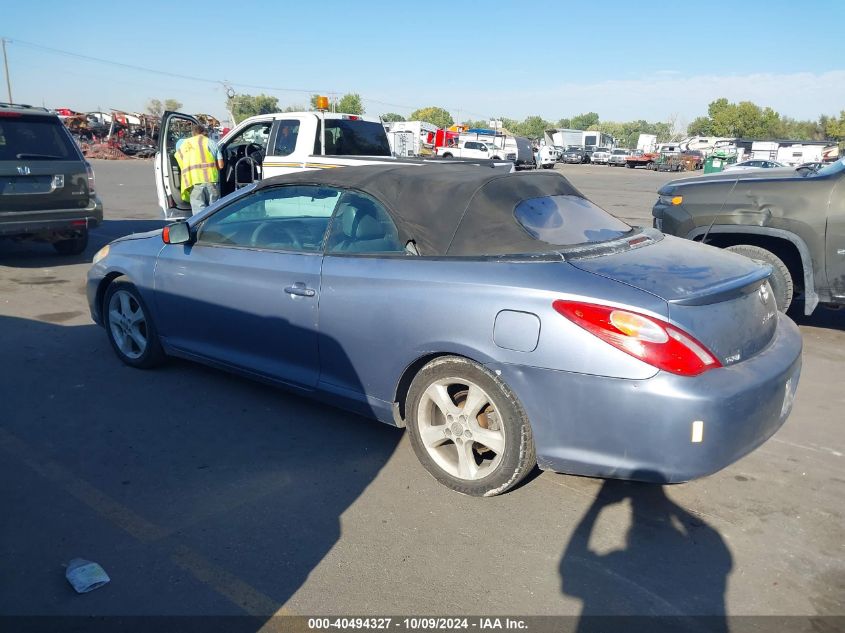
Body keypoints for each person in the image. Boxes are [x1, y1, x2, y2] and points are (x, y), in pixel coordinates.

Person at [174, 124, 224, 215]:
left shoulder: (185, 144)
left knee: (199, 212)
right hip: (211, 181)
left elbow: (178, 157)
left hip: (193, 181)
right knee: (214, 210)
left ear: (193, 133)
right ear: (204, 132)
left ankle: (201, 228)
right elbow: (220, 165)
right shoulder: (211, 142)